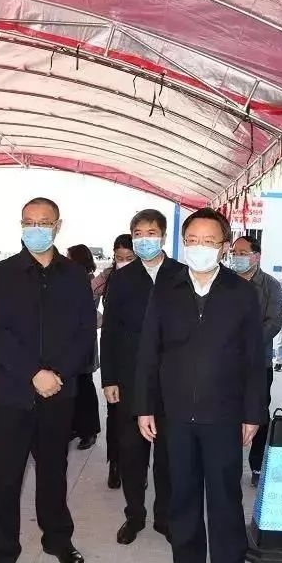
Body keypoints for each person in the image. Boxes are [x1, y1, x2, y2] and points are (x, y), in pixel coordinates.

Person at [136, 207, 265, 563]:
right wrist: (145, 405)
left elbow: (254, 358)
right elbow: (148, 352)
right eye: (192, 241)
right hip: (174, 415)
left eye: (209, 242)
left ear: (224, 246)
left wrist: (253, 412)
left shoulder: (241, 293)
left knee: (225, 502)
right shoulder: (167, 288)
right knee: (182, 498)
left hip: (223, 415)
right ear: (183, 243)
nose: (200, 248)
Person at [0, 197, 95, 563]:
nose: (36, 228)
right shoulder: (3, 273)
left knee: (53, 470)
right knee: (4, 476)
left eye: (43, 222)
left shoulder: (74, 275)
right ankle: (1, 557)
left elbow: (85, 332)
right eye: (29, 221)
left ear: (57, 226)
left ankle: (57, 538)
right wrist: (33, 373)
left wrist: (57, 375)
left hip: (59, 392)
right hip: (13, 392)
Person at [101, 212, 181, 544]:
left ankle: (165, 516)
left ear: (163, 236)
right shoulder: (122, 278)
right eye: (138, 233)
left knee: (169, 455)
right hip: (130, 379)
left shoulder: (182, 274)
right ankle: (134, 515)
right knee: (132, 453)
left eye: (151, 232)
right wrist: (109, 378)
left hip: (173, 381)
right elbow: (110, 331)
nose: (144, 239)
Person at [227, 236, 282, 486]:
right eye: (234, 253)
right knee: (226, 411)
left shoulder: (270, 285)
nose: (237, 257)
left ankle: (257, 464)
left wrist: (245, 343)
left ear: (256, 256)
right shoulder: (223, 281)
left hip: (258, 361)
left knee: (258, 412)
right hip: (224, 362)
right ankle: (227, 463)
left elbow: (274, 321)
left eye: (243, 253)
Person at [94, 233, 136, 489]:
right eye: (119, 257)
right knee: (116, 417)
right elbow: (84, 297)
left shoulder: (149, 278)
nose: (123, 262)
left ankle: (137, 469)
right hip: (117, 359)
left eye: (128, 258)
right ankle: (115, 464)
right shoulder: (108, 277)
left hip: (140, 359)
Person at [66, 244, 103, 451]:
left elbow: (93, 314)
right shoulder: (73, 278)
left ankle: (89, 430)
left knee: (84, 388)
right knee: (73, 387)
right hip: (68, 344)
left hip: (83, 343)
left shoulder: (89, 281)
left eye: (69, 256)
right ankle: (75, 426)